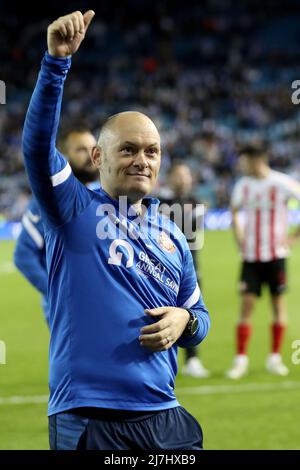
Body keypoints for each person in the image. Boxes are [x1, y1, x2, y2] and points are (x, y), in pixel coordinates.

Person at [22, 10, 210, 450]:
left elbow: (200, 319)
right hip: (91, 419)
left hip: (166, 418)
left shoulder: (173, 233)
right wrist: (56, 64)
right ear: (97, 157)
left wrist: (185, 320)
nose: (142, 159)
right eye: (127, 149)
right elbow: (35, 148)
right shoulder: (71, 208)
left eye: (152, 151)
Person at [226, 144, 300, 379]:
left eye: (245, 161)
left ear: (257, 159)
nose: (242, 166)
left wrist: (293, 237)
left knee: (278, 305)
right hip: (250, 257)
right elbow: (234, 210)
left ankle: (275, 358)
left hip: (276, 256)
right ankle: (240, 360)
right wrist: (238, 235)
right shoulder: (243, 185)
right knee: (246, 305)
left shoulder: (281, 182)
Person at [14, 128, 98, 325]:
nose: (90, 156)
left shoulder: (101, 195)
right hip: (68, 312)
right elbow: (23, 255)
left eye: (93, 149)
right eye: (81, 150)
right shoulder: (49, 198)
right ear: (65, 155)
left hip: (98, 303)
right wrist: (55, 292)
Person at [159, 162, 210, 378]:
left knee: (192, 313)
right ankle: (164, 363)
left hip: (190, 268)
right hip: (163, 268)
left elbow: (192, 227)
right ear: (170, 178)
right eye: (178, 175)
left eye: (186, 174)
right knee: (163, 315)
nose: (182, 179)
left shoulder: (194, 202)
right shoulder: (161, 203)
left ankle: (193, 360)